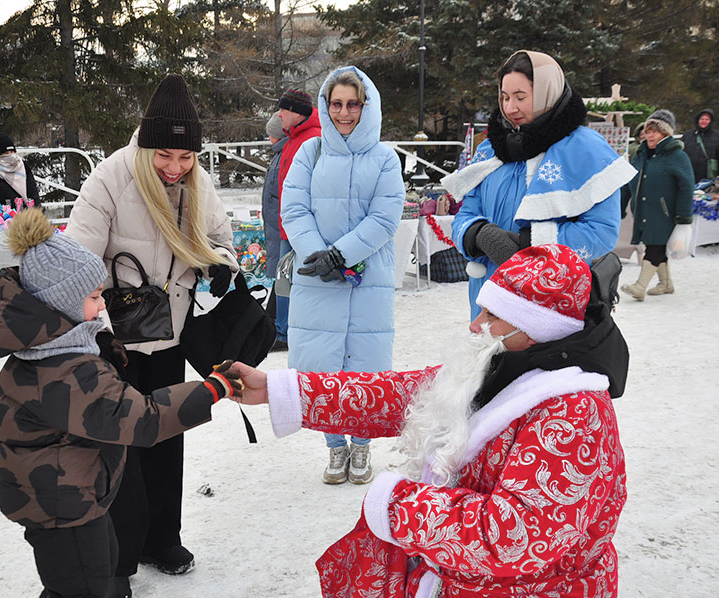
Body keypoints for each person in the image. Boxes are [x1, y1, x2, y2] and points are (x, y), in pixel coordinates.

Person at [232, 244, 629, 597]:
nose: (475, 325)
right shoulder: (509, 361)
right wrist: (280, 390)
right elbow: (403, 395)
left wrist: (396, 504)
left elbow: (514, 536)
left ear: (539, 328)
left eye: (493, 315)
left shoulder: (574, 413)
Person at [0, 207, 242, 598]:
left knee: (95, 572)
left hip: (65, 497)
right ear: (59, 305)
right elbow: (143, 420)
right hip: (65, 509)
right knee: (84, 586)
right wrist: (213, 388)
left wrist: (102, 346)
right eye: (94, 296)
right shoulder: (68, 371)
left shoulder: (41, 350)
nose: (102, 305)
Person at [65, 73, 238, 595]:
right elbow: (77, 259)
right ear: (144, 144)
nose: (174, 167)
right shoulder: (110, 179)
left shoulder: (197, 184)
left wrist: (221, 265)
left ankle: (164, 537)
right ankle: (121, 552)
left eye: (185, 158)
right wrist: (95, 329)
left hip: (171, 333)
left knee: (166, 437)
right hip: (115, 337)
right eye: (165, 155)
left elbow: (222, 240)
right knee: (121, 446)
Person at [443, 50, 636, 319]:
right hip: (488, 297)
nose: (510, 108)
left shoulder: (585, 150)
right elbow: (466, 213)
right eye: (505, 97)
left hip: (550, 302)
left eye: (521, 97)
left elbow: (601, 233)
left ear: (548, 92)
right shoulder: (492, 148)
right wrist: (477, 234)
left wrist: (530, 244)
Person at [281, 66, 405, 485]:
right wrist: (321, 256)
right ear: (326, 105)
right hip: (318, 277)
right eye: (337, 104)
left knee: (365, 365)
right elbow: (294, 209)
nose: (344, 112)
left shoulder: (386, 158)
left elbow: (385, 218)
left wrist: (342, 254)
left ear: (366, 106)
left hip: (368, 279)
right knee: (322, 365)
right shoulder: (310, 152)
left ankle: (362, 443)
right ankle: (335, 446)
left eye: (353, 104)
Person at [620, 109, 694, 300]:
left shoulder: (677, 156)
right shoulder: (641, 154)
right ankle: (666, 284)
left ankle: (639, 286)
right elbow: (628, 182)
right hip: (644, 211)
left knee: (654, 248)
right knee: (655, 246)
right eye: (648, 130)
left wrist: (684, 217)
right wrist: (620, 207)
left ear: (666, 133)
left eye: (655, 131)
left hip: (665, 213)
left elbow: (687, 187)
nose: (649, 135)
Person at [274, 89, 322, 351]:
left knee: (290, 278)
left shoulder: (311, 139)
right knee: (285, 277)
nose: (279, 114)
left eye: (283, 109)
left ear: (295, 112)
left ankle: (286, 332)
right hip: (289, 223)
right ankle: (284, 328)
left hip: (300, 226)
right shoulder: (295, 137)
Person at [260, 112, 289, 350]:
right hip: (276, 225)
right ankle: (273, 323)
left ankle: (281, 329)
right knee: (280, 277)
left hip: (280, 226)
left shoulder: (283, 155)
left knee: (283, 276)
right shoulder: (279, 154)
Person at [0, 133, 41, 206]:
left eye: (12, 152)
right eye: (6, 153)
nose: (11, 155)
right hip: (3, 215)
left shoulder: (23, 167)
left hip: (27, 214)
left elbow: (33, 193)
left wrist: (38, 213)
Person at [681, 108, 719, 182]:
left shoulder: (718, 136)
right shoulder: (688, 135)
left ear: (711, 121)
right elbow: (680, 153)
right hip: (688, 174)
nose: (704, 121)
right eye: (702, 119)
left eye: (707, 119)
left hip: (708, 177)